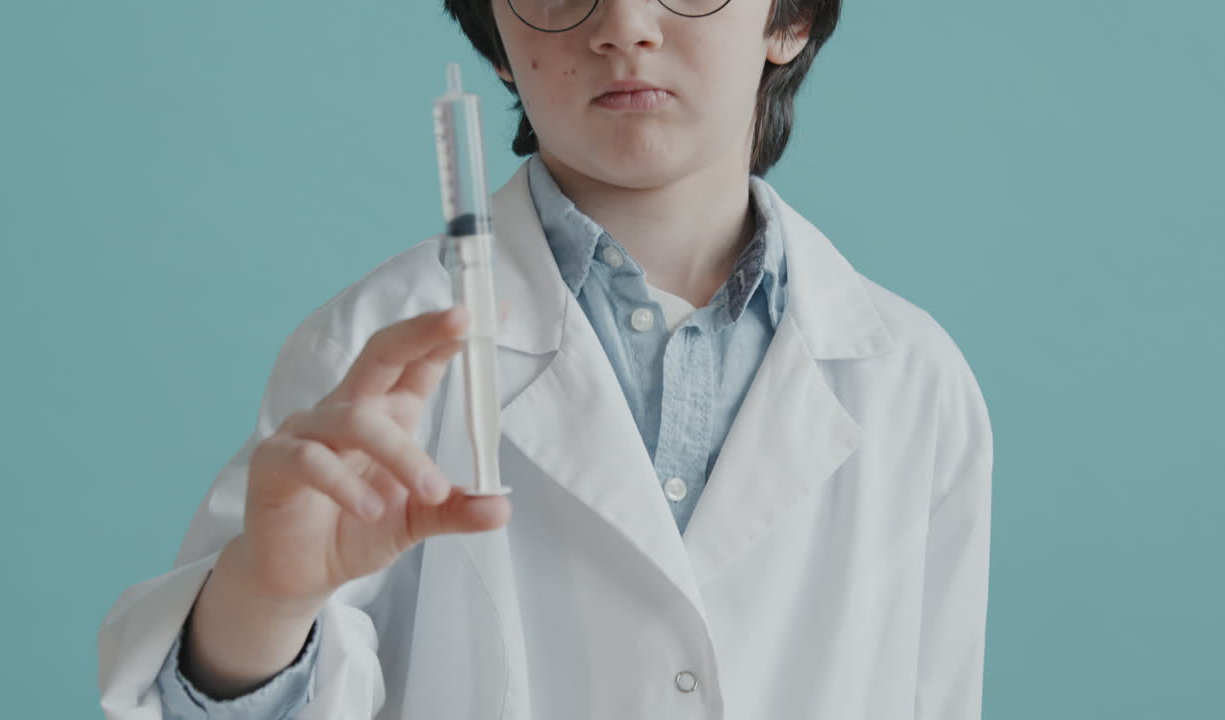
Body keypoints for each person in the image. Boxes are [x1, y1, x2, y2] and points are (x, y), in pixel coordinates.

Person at [98, 0, 995, 717]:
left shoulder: (913, 383)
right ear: (496, 36)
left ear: (788, 18)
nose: (622, 23)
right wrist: (265, 600)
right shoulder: (374, 351)